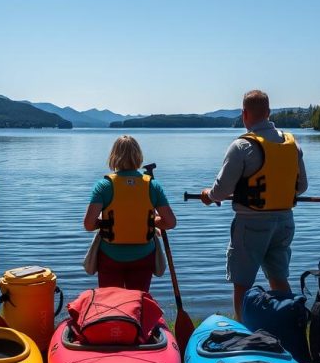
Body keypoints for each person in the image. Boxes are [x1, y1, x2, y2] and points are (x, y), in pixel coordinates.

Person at [199, 90, 308, 319]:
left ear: (244, 114)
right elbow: (301, 187)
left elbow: (221, 191)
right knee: (279, 279)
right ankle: (291, 326)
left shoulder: (241, 146)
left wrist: (208, 195)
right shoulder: (292, 144)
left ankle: (243, 332)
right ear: (268, 113)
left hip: (251, 225)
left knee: (242, 284)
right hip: (285, 222)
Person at [83, 135, 176, 292]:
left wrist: (104, 222)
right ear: (138, 156)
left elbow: (88, 225)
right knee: (137, 304)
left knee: (111, 304)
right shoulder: (152, 185)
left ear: (114, 156)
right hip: (143, 255)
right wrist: (148, 221)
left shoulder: (104, 186)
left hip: (110, 255)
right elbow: (170, 222)